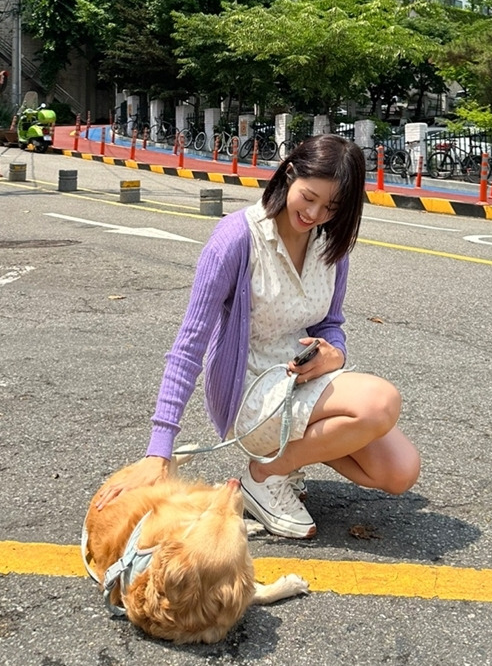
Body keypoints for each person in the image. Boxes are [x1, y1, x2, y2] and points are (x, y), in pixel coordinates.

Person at [97, 134, 420, 538]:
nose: (315, 213)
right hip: (249, 390)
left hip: (306, 380)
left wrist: (333, 353)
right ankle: (265, 473)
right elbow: (188, 345)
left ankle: (286, 462)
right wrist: (158, 451)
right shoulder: (237, 237)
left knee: (399, 472)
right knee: (380, 401)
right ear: (289, 174)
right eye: (309, 197)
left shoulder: (331, 245)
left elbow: (330, 324)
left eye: (331, 207)